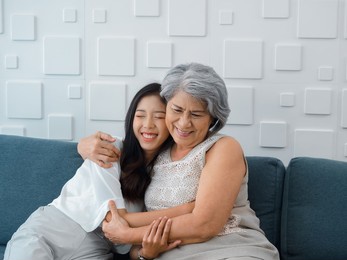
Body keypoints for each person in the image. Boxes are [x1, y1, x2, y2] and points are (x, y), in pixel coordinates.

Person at [81, 63, 280, 260]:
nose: (184, 123)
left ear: (213, 118)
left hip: (233, 250)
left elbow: (204, 225)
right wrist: (82, 145)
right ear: (166, 106)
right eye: (177, 110)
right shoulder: (155, 152)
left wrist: (126, 234)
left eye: (196, 114)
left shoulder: (223, 148)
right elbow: (139, 251)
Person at [4, 83, 193, 260]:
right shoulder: (110, 149)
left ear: (171, 123)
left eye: (159, 116)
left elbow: (130, 245)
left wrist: (146, 253)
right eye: (140, 115)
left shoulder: (166, 175)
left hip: (94, 252)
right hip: (47, 233)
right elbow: (115, 219)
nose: (148, 124)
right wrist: (186, 210)